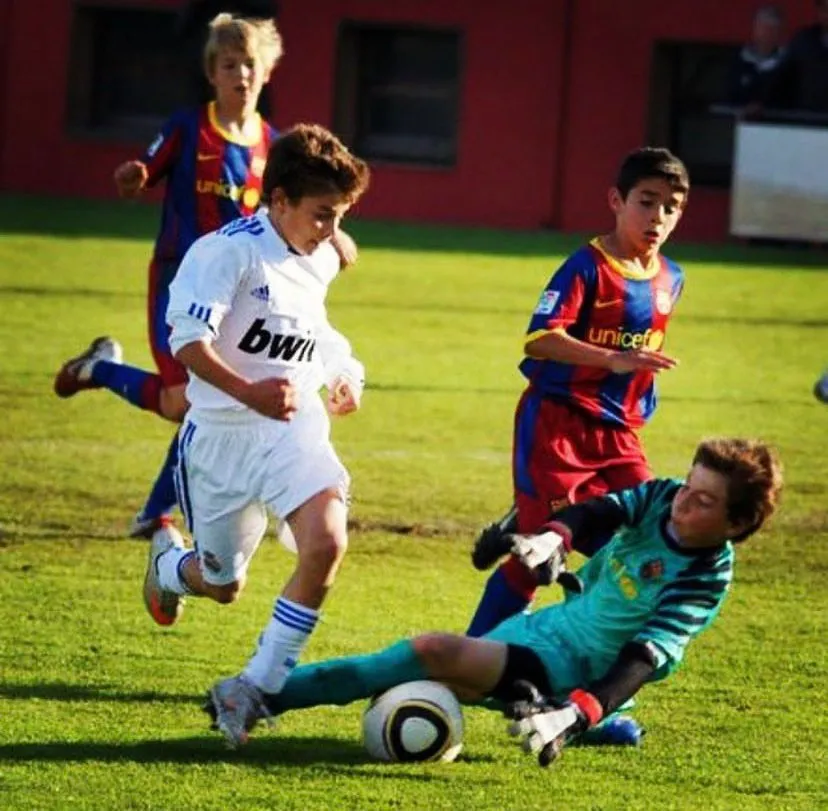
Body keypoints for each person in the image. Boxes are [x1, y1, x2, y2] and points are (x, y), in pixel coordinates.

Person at [204, 438, 782, 760]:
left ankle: (256, 696)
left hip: (568, 667)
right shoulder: (661, 498)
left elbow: (644, 657)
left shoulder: (704, 578)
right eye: (689, 487)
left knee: (430, 651)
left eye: (705, 502)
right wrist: (554, 537)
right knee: (411, 674)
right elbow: (599, 511)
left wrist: (577, 708)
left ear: (736, 524)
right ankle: (605, 720)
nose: (684, 503)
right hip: (544, 630)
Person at [52, 13, 359, 539]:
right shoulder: (187, 127)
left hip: (249, 293)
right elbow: (145, 172)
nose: (240, 74)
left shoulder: (274, 145)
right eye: (228, 64)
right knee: (186, 400)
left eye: (250, 64)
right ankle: (100, 373)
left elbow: (299, 209)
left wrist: (335, 234)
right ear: (211, 73)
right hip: (181, 275)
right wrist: (135, 177)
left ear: (268, 73)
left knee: (200, 399)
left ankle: (153, 513)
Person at [145, 122, 370, 750]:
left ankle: (253, 687)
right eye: (324, 215)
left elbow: (313, 329)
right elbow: (186, 342)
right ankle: (171, 565)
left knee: (326, 542)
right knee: (223, 586)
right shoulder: (223, 254)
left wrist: (344, 373)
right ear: (278, 202)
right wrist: (248, 391)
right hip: (220, 437)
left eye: (341, 216)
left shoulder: (319, 252)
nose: (334, 232)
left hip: (292, 428)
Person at [466, 147, 689, 649]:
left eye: (670, 207)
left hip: (621, 436)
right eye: (646, 202)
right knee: (540, 558)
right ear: (616, 200)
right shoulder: (586, 267)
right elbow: (539, 339)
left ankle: (589, 688)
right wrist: (611, 359)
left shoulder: (672, 278)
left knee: (647, 544)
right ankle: (470, 657)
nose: (658, 217)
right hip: (558, 429)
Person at [766, 0, 828, 114]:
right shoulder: (803, 41)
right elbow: (781, 80)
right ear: (819, 12)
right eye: (825, 9)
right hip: (804, 120)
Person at [725, 5, 786, 111]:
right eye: (763, 27)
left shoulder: (788, 63)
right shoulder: (738, 61)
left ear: (779, 32)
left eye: (772, 29)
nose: (767, 33)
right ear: (754, 29)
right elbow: (729, 96)